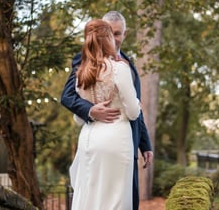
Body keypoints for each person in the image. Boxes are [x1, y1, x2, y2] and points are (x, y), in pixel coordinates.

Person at [61, 11, 153, 210]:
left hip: (126, 141)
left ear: (124, 34)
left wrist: (145, 144)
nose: (114, 38)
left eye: (118, 33)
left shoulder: (129, 64)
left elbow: (138, 107)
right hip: (112, 140)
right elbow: (67, 97)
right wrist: (91, 110)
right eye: (111, 33)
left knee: (121, 199)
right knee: (111, 200)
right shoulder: (83, 61)